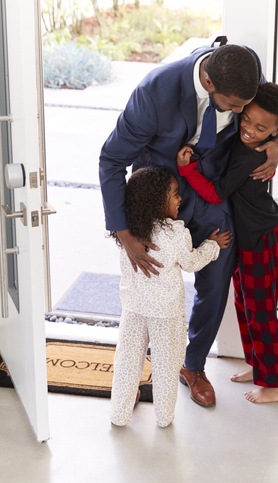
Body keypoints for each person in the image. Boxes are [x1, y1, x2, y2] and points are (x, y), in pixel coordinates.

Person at [99, 39, 278, 408]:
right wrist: (124, 232)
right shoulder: (154, 92)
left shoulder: (245, 68)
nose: (241, 112)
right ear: (210, 83)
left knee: (217, 279)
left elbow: (269, 114)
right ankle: (135, 370)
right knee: (148, 288)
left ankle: (193, 365)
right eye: (235, 106)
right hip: (161, 194)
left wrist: (277, 141)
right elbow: (112, 160)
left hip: (212, 192)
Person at [178, 82, 278, 404]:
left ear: (276, 131)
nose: (250, 130)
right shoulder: (252, 143)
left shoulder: (251, 156)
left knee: (261, 310)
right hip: (250, 235)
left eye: (261, 129)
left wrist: (188, 171)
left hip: (261, 237)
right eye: (247, 120)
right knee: (245, 303)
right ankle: (259, 367)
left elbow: (216, 193)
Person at [108, 167, 232, 427]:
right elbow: (191, 263)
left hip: (134, 309)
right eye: (175, 194)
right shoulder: (176, 234)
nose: (180, 199)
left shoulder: (129, 233)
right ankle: (164, 418)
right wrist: (212, 245)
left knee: (127, 363)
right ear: (157, 201)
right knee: (166, 366)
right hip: (167, 314)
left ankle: (119, 415)